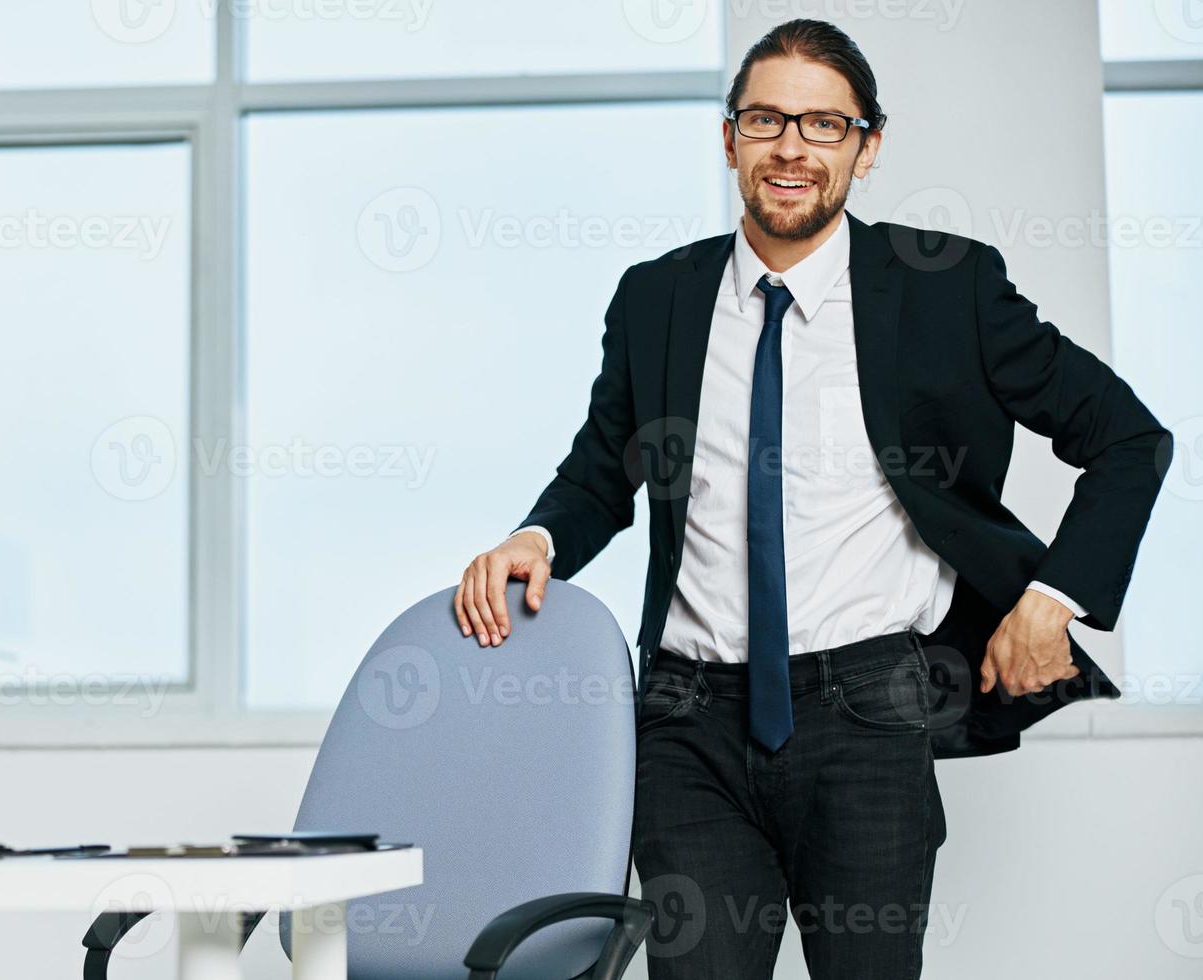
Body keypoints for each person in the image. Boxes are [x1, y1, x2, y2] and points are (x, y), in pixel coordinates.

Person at [451, 18, 1172, 979]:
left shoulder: (948, 288)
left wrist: (1052, 599)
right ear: (729, 138)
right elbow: (601, 468)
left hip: (870, 713)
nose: (792, 148)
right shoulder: (655, 298)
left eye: (824, 126)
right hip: (684, 720)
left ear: (866, 148)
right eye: (766, 120)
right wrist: (536, 536)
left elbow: (1129, 438)